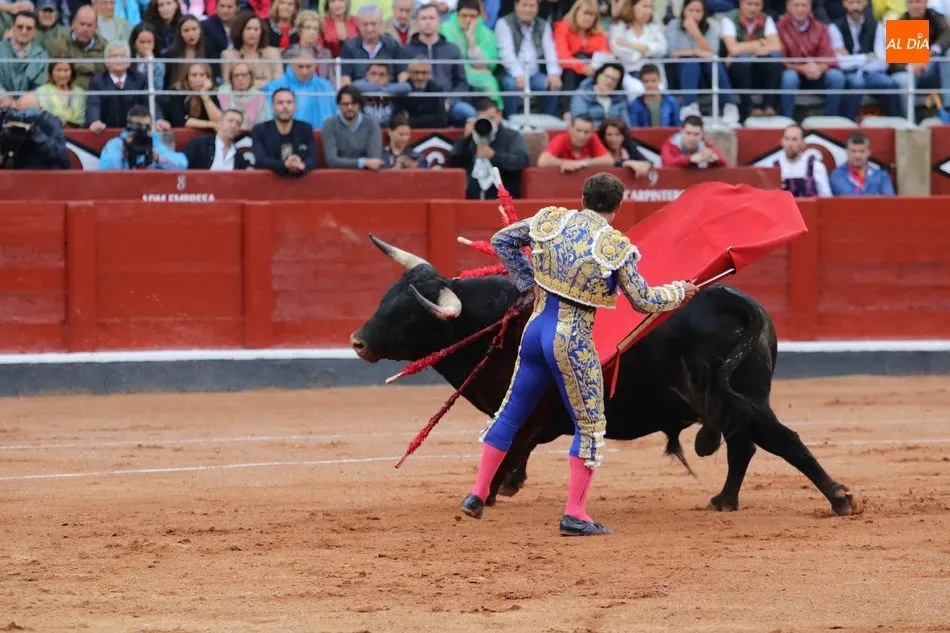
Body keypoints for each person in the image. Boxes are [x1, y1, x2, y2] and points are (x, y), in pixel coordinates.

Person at [459, 172, 699, 536]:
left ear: (582, 198)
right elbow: (644, 300)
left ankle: (477, 493)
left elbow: (502, 240)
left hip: (535, 330)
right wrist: (680, 292)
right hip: (571, 339)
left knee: (511, 411)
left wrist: (529, 283)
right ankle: (575, 514)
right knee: (589, 426)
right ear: (618, 206)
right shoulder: (613, 245)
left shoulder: (552, 220)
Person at [447, 96, 530, 199]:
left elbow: (522, 161)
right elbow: (453, 164)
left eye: (491, 118)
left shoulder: (511, 136)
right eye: (483, 119)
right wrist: (464, 139)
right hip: (471, 199)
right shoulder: (471, 137)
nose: (488, 123)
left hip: (503, 197)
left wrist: (494, 155)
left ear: (499, 115)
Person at [251, 87, 317, 175]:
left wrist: (301, 165)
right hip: (269, 181)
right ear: (273, 107)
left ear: (295, 106)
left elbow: (312, 159)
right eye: (280, 102)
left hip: (299, 180)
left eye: (289, 102)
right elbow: (260, 160)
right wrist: (285, 165)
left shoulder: (305, 128)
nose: (285, 106)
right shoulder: (260, 130)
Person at [99, 105, 188, 170]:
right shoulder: (116, 144)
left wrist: (158, 158)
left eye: (146, 127)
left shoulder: (154, 143)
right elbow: (107, 173)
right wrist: (122, 153)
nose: (141, 131)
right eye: (137, 127)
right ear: (129, 127)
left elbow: (182, 164)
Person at [773, 124, 831, 197]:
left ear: (803, 143)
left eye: (794, 139)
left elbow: (826, 197)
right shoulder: (772, 167)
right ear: (782, 141)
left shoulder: (816, 167)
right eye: (787, 139)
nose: (790, 144)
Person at [183, 109, 252, 170]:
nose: (234, 125)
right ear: (220, 123)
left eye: (238, 123)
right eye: (230, 121)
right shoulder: (200, 144)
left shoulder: (238, 157)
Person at [829, 132, 894, 196]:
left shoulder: (881, 176)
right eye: (853, 151)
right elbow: (851, 199)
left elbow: (889, 200)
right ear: (847, 152)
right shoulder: (838, 175)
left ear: (868, 152)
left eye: (861, 151)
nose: (857, 155)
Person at [660, 114, 727, 168]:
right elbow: (667, 163)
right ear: (681, 131)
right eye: (688, 133)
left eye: (696, 134)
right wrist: (690, 159)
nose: (692, 138)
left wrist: (714, 160)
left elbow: (724, 164)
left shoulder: (705, 146)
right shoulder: (670, 144)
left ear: (702, 134)